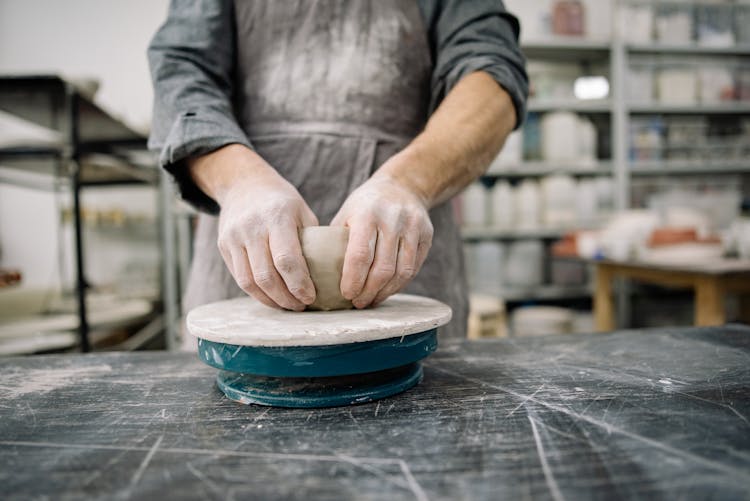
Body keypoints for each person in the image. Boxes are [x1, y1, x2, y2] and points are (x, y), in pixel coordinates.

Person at [148, 0, 528, 342]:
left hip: (406, 255)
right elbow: (181, 72)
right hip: (243, 260)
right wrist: (239, 181)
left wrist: (408, 183)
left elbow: (492, 69)